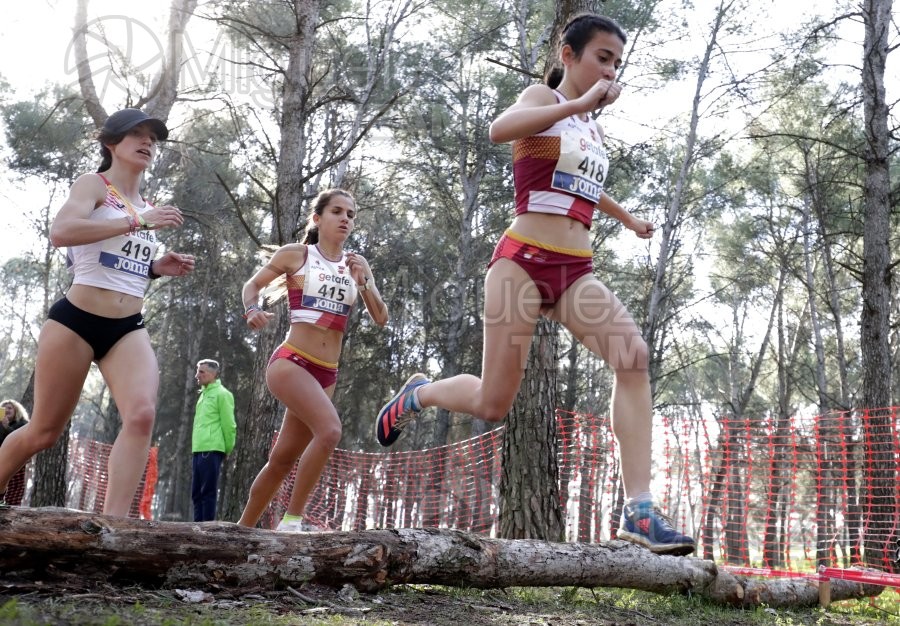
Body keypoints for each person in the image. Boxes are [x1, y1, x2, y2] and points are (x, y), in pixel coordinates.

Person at [375, 14, 695, 555]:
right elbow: (499, 130)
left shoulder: (590, 127)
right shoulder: (541, 98)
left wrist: (626, 218)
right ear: (567, 55)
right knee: (493, 401)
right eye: (602, 56)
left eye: (617, 62)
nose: (611, 69)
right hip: (521, 262)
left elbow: (582, 182)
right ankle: (418, 394)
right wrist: (575, 103)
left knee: (633, 356)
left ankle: (639, 510)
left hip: (575, 269)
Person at [0, 108, 195, 516]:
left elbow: (116, 265)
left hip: (127, 328)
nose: (147, 142)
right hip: (75, 321)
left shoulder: (146, 205)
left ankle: (113, 530)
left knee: (141, 416)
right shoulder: (95, 185)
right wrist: (137, 221)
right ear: (110, 144)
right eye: (136, 135)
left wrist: (156, 268)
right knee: (43, 432)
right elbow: (62, 233)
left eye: (153, 138)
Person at [238, 189, 389, 531]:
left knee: (281, 459)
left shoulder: (357, 264)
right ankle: (292, 522)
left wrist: (363, 282)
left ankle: (242, 532)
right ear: (318, 219)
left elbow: (381, 317)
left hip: (327, 373)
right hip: (292, 362)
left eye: (351, 214)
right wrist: (252, 309)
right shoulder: (298, 255)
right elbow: (253, 285)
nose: (346, 219)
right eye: (338, 211)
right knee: (330, 430)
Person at [191, 358, 236, 521]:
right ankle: (197, 528)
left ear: (213, 374)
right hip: (198, 449)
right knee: (196, 493)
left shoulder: (223, 395)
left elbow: (229, 424)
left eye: (201, 372)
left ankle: (207, 530)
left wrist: (228, 449)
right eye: (197, 371)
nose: (197, 375)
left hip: (211, 449)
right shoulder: (203, 395)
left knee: (207, 492)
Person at [0, 400, 29, 506]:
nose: (6, 410)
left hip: (16, 462)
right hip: (1, 459)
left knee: (13, 489)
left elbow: (20, 440)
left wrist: (6, 427)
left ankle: (11, 509)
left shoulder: (23, 424)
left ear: (16, 410)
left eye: (9, 408)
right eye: (4, 408)